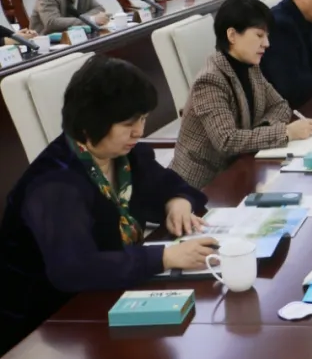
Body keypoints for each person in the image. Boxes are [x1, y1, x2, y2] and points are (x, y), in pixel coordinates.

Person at [0, 56, 215, 354]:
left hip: (111, 297)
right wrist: (164, 257)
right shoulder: (55, 185)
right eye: (128, 124)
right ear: (92, 123)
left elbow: (172, 185)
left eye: (142, 119)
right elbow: (75, 269)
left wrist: (177, 202)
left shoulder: (123, 156)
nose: (139, 131)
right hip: (49, 329)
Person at [170, 0, 312, 188]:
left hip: (241, 168)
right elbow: (227, 141)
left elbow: (280, 105)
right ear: (232, 35)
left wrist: (261, 131)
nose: (267, 43)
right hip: (203, 186)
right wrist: (285, 132)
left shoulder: (250, 67)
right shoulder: (210, 80)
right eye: (259, 35)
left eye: (267, 36)